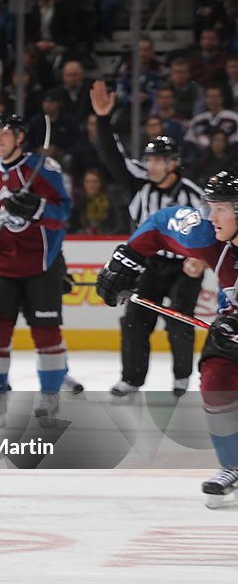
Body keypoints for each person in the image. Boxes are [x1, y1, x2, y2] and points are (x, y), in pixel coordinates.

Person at [96, 171, 238, 509]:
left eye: (221, 209)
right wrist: (125, 261)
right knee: (216, 377)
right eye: (211, 207)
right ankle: (231, 465)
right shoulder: (210, 239)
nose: (211, 216)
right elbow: (162, 222)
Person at [91, 80, 206, 397]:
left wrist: (197, 260)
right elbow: (111, 156)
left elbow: (207, 235)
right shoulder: (138, 183)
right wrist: (103, 119)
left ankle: (181, 377)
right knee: (134, 319)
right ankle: (131, 379)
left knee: (179, 320)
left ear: (174, 163)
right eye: (150, 160)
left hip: (184, 265)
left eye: (158, 160)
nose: (151, 165)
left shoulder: (191, 195)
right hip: (150, 265)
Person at [0, 112, 72, 425]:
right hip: (1, 264)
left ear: (20, 137)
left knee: (46, 332)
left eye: (6, 133)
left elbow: (64, 213)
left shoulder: (42, 168)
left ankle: (50, 395)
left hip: (41, 264)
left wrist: (38, 208)